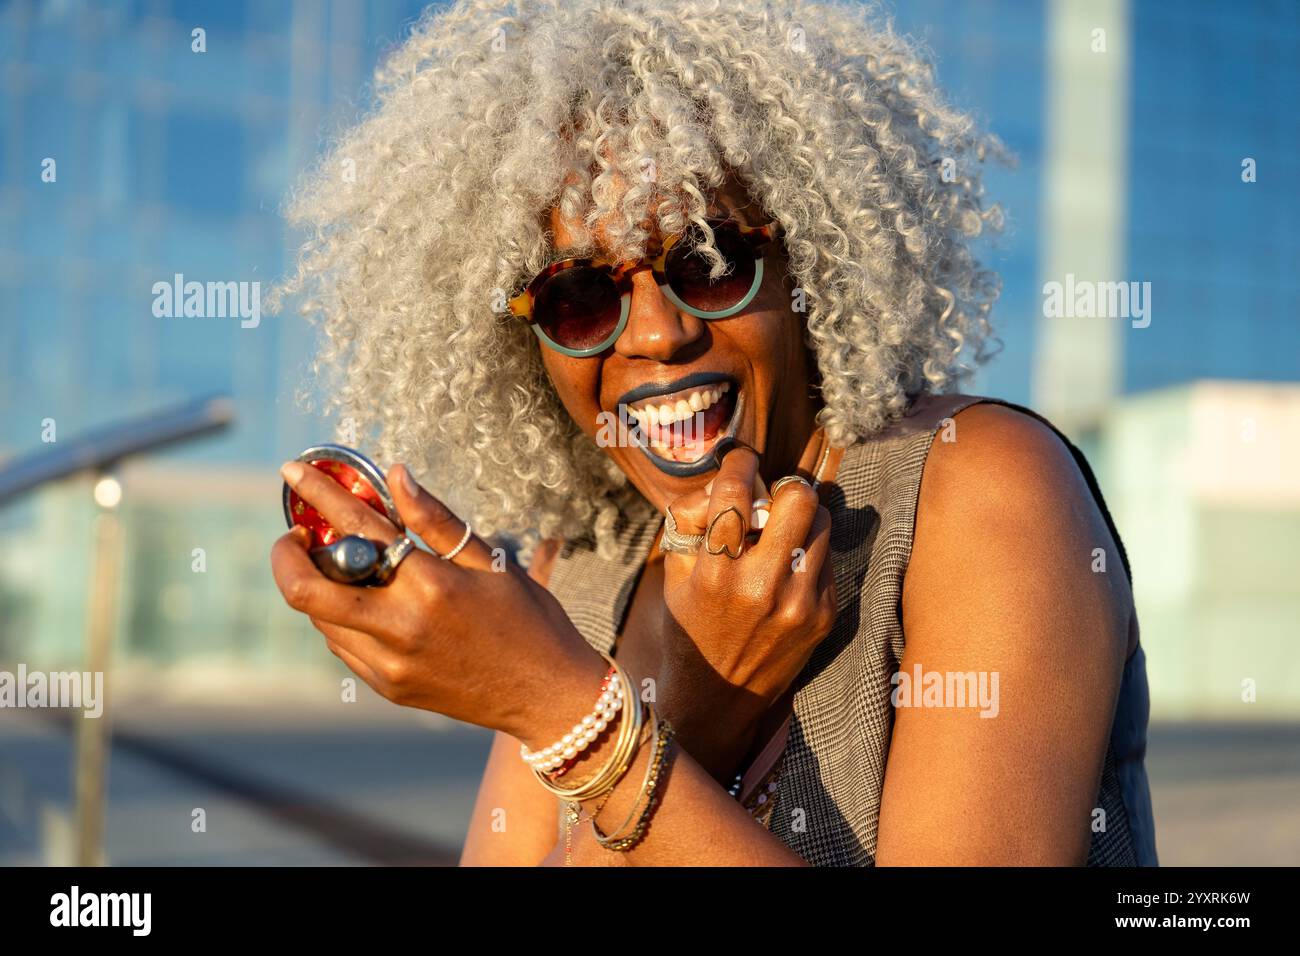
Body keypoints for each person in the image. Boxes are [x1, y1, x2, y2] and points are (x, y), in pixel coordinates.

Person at [269, 0, 1157, 866]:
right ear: (525, 341)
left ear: (807, 259)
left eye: (711, 262)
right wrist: (685, 715)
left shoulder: (975, 489)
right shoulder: (579, 565)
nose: (657, 334)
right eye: (579, 301)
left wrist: (559, 710)